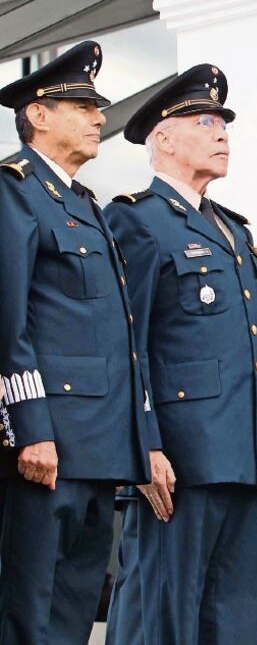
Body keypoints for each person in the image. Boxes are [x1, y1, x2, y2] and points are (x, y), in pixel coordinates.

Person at [102, 63, 257, 645]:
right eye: (204, 122)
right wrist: (144, 447)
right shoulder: (136, 219)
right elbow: (125, 343)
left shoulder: (236, 231)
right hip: (181, 459)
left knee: (235, 624)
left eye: (223, 124)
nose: (221, 134)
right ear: (162, 138)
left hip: (249, 459)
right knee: (161, 617)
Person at [0, 41, 154, 643]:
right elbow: (8, 322)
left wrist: (134, 443)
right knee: (28, 609)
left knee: (73, 610)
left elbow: (116, 336)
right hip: (48, 442)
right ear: (38, 115)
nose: (98, 118)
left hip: (96, 447)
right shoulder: (14, 190)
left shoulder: (85, 204)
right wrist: (30, 428)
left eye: (98, 107)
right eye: (83, 107)